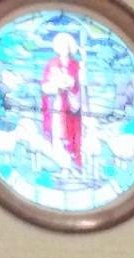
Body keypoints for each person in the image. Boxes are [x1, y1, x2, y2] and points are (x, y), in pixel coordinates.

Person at [40, 31, 84, 171]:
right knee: (57, 132)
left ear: (70, 47)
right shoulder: (51, 64)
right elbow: (45, 86)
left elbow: (80, 86)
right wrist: (55, 87)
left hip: (72, 105)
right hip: (57, 104)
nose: (63, 48)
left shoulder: (76, 65)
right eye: (61, 45)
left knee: (72, 133)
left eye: (66, 45)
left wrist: (71, 86)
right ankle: (61, 164)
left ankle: (74, 163)